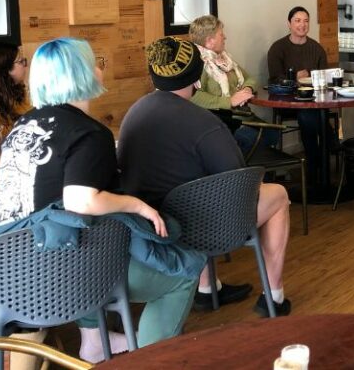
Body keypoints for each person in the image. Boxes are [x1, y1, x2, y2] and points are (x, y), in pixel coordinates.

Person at [0, 38, 197, 362]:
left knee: (90, 237)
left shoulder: (21, 126)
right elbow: (81, 201)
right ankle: (148, 361)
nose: (100, 68)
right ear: (80, 73)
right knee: (183, 272)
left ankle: (94, 341)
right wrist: (137, 205)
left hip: (6, 273)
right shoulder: (88, 133)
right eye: (94, 62)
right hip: (61, 275)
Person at [119, 36, 293, 316]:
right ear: (195, 76)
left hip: (150, 226)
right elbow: (238, 179)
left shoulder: (134, 114)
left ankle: (207, 288)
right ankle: (274, 296)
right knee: (278, 195)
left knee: (192, 192)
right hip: (200, 228)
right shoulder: (203, 122)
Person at [188, 15, 277, 156]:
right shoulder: (198, 64)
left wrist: (247, 89)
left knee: (273, 133)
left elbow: (250, 79)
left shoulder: (224, 59)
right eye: (221, 34)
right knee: (256, 138)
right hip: (221, 121)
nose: (225, 37)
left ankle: (254, 169)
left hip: (242, 115)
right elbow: (194, 97)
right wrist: (229, 101)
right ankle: (238, 169)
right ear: (209, 41)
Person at [266, 7, 336, 181]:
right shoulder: (278, 48)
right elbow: (274, 78)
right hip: (287, 101)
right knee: (309, 115)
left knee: (311, 113)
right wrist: (294, 77)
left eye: (306, 21)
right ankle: (325, 154)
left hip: (315, 100)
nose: (302, 25)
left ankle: (316, 163)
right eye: (297, 21)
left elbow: (324, 77)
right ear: (289, 24)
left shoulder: (317, 49)